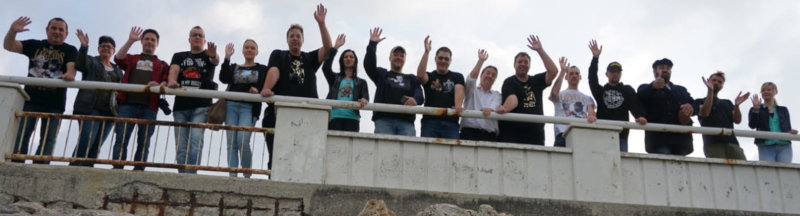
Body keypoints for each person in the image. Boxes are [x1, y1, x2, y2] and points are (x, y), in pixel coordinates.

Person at [260, 4, 332, 170]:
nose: (294, 38)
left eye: (298, 36)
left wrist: (321, 23)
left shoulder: (309, 58)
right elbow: (274, 70)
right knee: (276, 156)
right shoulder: (278, 54)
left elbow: (328, 48)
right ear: (287, 40)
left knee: (303, 156)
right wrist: (266, 88)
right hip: (278, 113)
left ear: (302, 40)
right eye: (291, 36)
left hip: (305, 114)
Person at [4, 17, 77, 164]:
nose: (57, 32)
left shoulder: (69, 50)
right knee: (23, 134)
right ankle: (17, 164)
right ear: (47, 30)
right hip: (31, 99)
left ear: (66, 34)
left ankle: (40, 166)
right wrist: (12, 31)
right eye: (54, 28)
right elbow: (9, 46)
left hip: (55, 102)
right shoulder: (35, 45)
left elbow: (71, 70)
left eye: (61, 29)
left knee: (48, 138)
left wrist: (69, 75)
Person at [113, 27, 169, 170]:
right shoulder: (133, 58)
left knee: (144, 141)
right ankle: (117, 168)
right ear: (142, 41)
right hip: (127, 105)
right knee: (121, 138)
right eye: (147, 39)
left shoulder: (162, 64)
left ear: (157, 44)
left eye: (153, 40)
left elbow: (166, 81)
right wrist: (131, 40)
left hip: (149, 107)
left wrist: (159, 84)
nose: (149, 42)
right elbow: (118, 59)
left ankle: (139, 170)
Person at [167, 26, 219, 174]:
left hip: (201, 106)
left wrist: (214, 55)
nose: (197, 37)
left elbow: (215, 60)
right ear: (189, 39)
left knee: (196, 142)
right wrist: (171, 81)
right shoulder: (179, 56)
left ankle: (191, 176)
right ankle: (182, 176)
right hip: (181, 106)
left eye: (200, 35)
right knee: (181, 145)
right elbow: (174, 70)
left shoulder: (208, 55)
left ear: (204, 40)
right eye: (194, 35)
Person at [70, 30, 123, 166]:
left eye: (109, 47)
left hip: (110, 111)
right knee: (87, 138)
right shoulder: (91, 61)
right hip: (90, 108)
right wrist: (84, 47)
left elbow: (122, 91)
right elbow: (80, 64)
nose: (105, 48)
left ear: (113, 51)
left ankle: (87, 169)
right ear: (98, 49)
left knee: (97, 144)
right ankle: (74, 167)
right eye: (103, 46)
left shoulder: (118, 70)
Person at [497, 35, 558, 145]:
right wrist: (505, 108)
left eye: (526, 62)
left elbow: (553, 71)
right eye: (520, 62)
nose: (523, 64)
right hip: (512, 135)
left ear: (529, 65)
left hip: (536, 136)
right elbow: (513, 99)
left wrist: (540, 50)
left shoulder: (536, 80)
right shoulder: (509, 81)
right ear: (514, 65)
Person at [586, 40, 646, 152]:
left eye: (618, 71)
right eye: (612, 71)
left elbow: (635, 104)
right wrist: (595, 59)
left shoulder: (627, 90)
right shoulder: (601, 91)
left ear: (621, 73)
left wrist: (640, 115)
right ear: (607, 74)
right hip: (603, 133)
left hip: (621, 135)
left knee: (621, 165)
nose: (615, 73)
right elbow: (592, 79)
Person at [364, 27, 424, 136]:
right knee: (384, 151)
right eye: (395, 55)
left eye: (402, 56)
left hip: (406, 122)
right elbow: (369, 66)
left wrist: (415, 99)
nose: (398, 57)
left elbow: (419, 93)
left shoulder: (412, 78)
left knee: (407, 152)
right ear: (390, 57)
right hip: (384, 121)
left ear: (405, 59)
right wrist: (372, 44)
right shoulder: (382, 74)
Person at [220, 40, 268, 177]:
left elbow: (265, 84)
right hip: (231, 105)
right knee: (231, 143)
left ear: (257, 52)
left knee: (243, 140)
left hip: (249, 107)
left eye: (252, 48)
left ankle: (246, 175)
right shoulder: (235, 67)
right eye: (246, 47)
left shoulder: (262, 69)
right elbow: (223, 78)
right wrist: (227, 58)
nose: (249, 50)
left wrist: (258, 90)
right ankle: (233, 176)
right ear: (242, 50)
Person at [637, 58, 694, 156]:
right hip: (659, 140)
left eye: (668, 68)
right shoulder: (645, 88)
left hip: (682, 141)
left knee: (681, 168)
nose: (665, 70)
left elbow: (693, 104)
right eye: (661, 67)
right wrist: (653, 87)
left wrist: (690, 107)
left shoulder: (681, 90)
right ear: (655, 71)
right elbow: (639, 98)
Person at [416, 36, 465, 139]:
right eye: (440, 58)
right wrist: (426, 52)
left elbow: (459, 92)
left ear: (450, 61)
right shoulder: (430, 76)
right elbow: (420, 76)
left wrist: (458, 106)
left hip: (451, 123)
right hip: (430, 122)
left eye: (446, 59)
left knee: (452, 153)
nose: (443, 61)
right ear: (435, 59)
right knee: (428, 153)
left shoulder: (457, 76)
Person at [693, 72, 750, 160]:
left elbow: (737, 120)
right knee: (719, 172)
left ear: (722, 85)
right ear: (708, 81)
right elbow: (705, 112)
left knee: (743, 170)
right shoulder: (699, 101)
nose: (716, 83)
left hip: (733, 143)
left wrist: (737, 106)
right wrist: (710, 91)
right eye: (714, 80)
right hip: (713, 143)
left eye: (720, 82)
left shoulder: (727, 102)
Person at [323, 34, 369, 132]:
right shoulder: (335, 78)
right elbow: (325, 67)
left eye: (351, 57)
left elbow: (365, 97)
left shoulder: (361, 82)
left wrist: (364, 100)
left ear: (355, 61)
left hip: (353, 119)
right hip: (335, 117)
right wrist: (335, 48)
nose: (348, 59)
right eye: (346, 57)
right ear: (342, 60)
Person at [549, 57, 597, 147]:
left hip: (581, 133)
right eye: (571, 74)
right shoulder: (560, 94)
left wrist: (591, 117)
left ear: (580, 77)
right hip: (562, 134)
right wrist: (563, 71)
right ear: (566, 77)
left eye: (576, 74)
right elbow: (553, 93)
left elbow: (591, 113)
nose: (574, 76)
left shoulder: (587, 98)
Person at [749, 82, 797, 163]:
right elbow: (752, 125)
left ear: (775, 92)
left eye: (769, 89)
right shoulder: (755, 109)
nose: (766, 92)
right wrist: (756, 109)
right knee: (769, 172)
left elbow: (787, 127)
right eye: (763, 90)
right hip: (765, 146)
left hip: (784, 146)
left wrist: (790, 131)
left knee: (784, 172)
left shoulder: (783, 110)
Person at [460, 49, 502, 142]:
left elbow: (495, 105)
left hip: (489, 136)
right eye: (488, 73)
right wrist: (480, 61)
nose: (490, 76)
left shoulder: (497, 95)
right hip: (469, 133)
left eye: (493, 75)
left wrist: (490, 109)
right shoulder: (471, 91)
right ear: (481, 75)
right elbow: (471, 80)